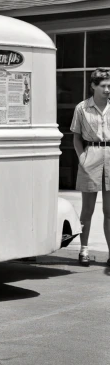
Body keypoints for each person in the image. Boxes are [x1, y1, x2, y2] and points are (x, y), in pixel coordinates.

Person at [71, 68, 110, 267]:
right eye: (103, 86)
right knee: (88, 209)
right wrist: (82, 158)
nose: (107, 89)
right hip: (91, 154)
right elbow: (76, 137)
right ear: (93, 86)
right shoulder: (82, 108)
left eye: (109, 86)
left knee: (109, 210)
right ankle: (84, 249)